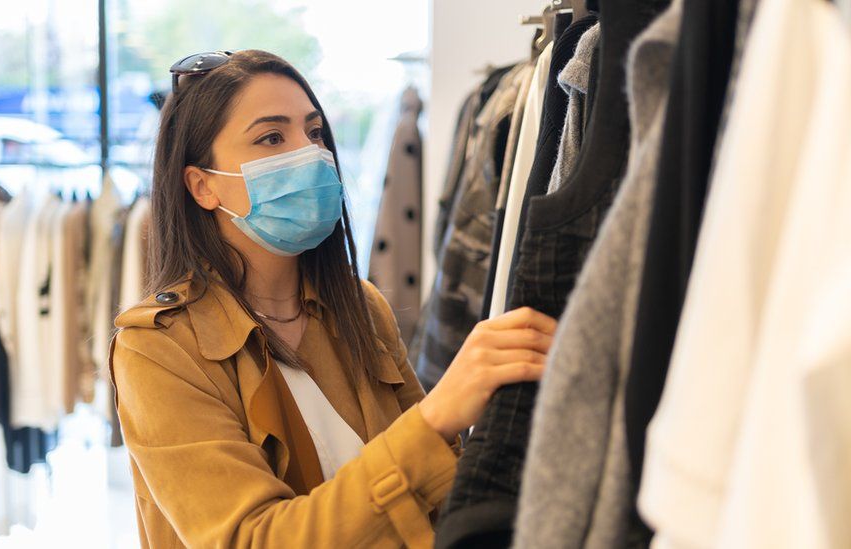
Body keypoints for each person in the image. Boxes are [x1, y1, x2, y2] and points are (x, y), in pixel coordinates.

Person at [109, 49, 557, 548]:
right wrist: (438, 417)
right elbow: (252, 539)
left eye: (315, 132)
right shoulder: (158, 350)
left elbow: (440, 491)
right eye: (272, 137)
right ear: (203, 186)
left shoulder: (360, 308)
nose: (311, 154)